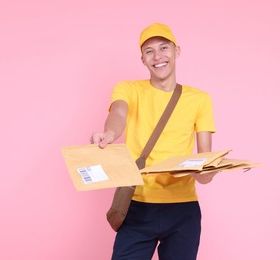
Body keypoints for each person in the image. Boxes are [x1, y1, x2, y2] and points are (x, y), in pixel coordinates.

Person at [91, 23, 217, 260]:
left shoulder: (200, 99)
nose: (157, 56)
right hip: (138, 205)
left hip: (183, 210)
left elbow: (204, 164)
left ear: (176, 51)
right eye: (149, 51)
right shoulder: (128, 89)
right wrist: (109, 134)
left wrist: (207, 172)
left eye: (163, 48)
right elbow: (118, 113)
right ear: (142, 59)